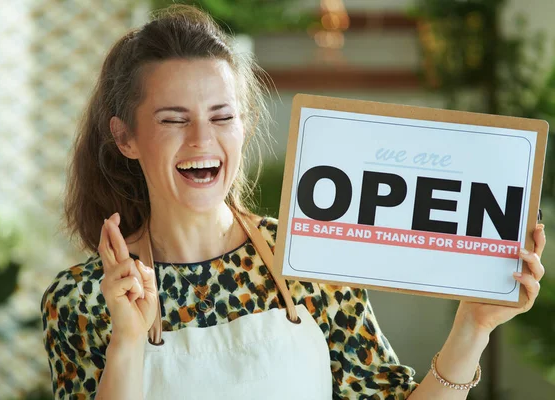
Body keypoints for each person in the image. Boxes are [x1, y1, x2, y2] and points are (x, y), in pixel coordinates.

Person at [41, 5, 547, 400]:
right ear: (125, 136)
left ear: (247, 125)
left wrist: (474, 325)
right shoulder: (82, 301)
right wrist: (127, 342)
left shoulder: (310, 254)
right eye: (173, 119)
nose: (202, 140)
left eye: (222, 117)